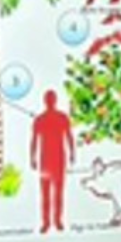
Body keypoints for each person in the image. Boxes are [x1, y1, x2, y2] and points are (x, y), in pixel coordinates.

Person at [30, 89, 74, 232]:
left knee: (58, 192)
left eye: (51, 99)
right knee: (46, 193)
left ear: (54, 101)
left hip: (58, 159)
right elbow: (34, 140)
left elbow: (69, 136)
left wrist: (72, 153)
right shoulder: (40, 119)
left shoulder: (62, 118)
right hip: (46, 160)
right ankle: (47, 222)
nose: (50, 102)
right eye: (48, 99)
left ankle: (57, 221)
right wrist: (32, 157)